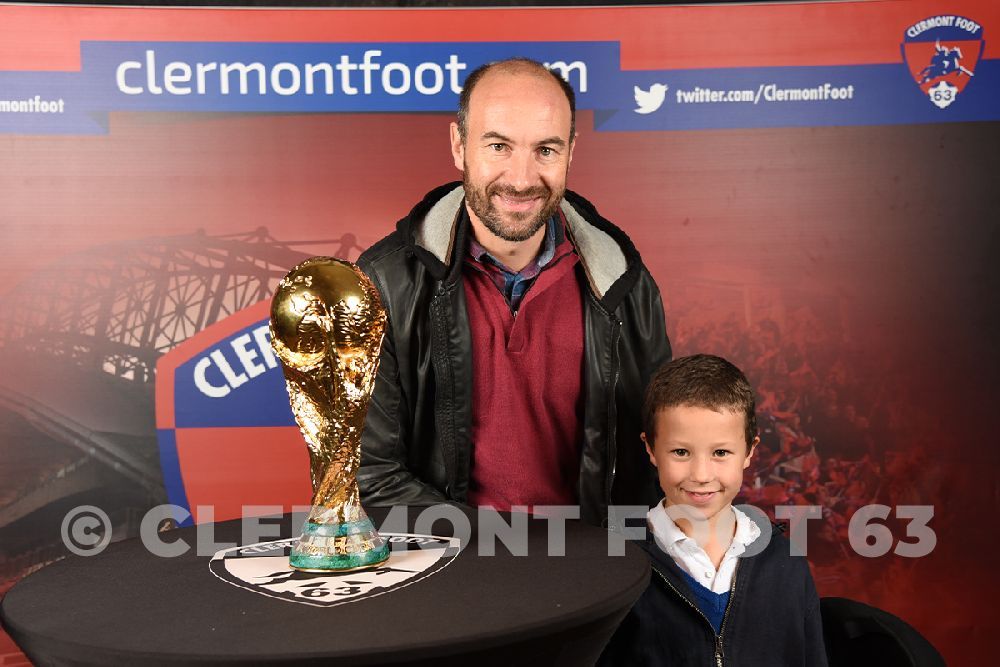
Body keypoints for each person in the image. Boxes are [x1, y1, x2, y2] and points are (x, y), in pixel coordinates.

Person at [356, 57, 671, 526]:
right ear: (459, 146)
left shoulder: (623, 280)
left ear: (571, 152)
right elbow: (372, 476)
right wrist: (501, 561)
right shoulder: (385, 283)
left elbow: (654, 455)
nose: (522, 179)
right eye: (499, 146)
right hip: (452, 570)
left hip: (591, 569)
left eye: (546, 149)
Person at [599, 354, 827, 665]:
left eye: (720, 452)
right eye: (681, 452)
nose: (701, 474)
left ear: (749, 451)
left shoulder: (786, 564)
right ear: (651, 448)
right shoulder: (615, 564)